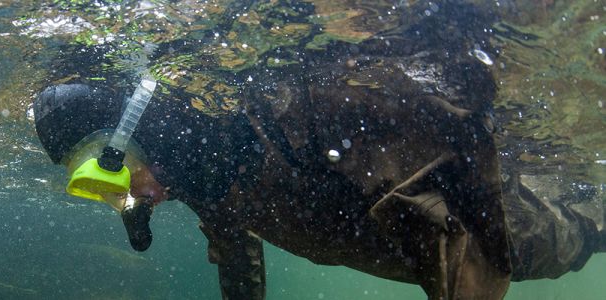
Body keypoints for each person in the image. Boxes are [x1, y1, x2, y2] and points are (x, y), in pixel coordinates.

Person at [30, 2, 604, 299]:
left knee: (583, 233)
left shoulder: (297, 118)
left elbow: (459, 243)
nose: (128, 201)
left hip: (527, 237)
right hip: (437, 248)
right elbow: (234, 250)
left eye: (109, 180)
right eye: (100, 195)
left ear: (133, 134)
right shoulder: (202, 173)